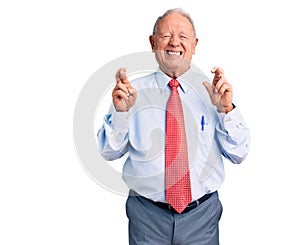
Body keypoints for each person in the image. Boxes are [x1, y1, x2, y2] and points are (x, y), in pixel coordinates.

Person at [97, 8, 250, 245]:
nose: (174, 42)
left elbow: (239, 154)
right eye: (166, 35)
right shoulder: (131, 93)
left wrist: (225, 110)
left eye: (182, 36)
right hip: (146, 216)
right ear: (153, 42)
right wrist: (121, 113)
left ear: (194, 44)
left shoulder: (213, 93)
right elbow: (108, 152)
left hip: (202, 216)